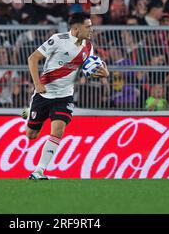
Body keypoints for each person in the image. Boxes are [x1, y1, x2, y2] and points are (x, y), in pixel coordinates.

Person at [23, 12, 109, 180]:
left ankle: (38, 171)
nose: (91, 30)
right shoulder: (58, 39)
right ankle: (27, 111)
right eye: (88, 26)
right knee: (31, 135)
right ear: (76, 28)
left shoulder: (88, 46)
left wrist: (104, 73)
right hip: (44, 94)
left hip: (65, 96)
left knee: (58, 131)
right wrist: (37, 84)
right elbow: (32, 59)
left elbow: (91, 68)